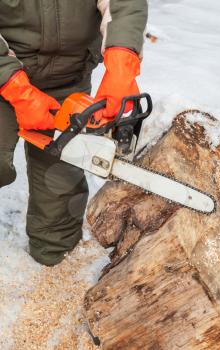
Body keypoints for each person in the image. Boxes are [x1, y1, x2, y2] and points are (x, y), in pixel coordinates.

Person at [0, 0, 148, 266]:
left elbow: (124, 4)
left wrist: (121, 63)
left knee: (61, 176)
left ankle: (56, 259)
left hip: (69, 76)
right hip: (4, 74)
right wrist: (15, 89)